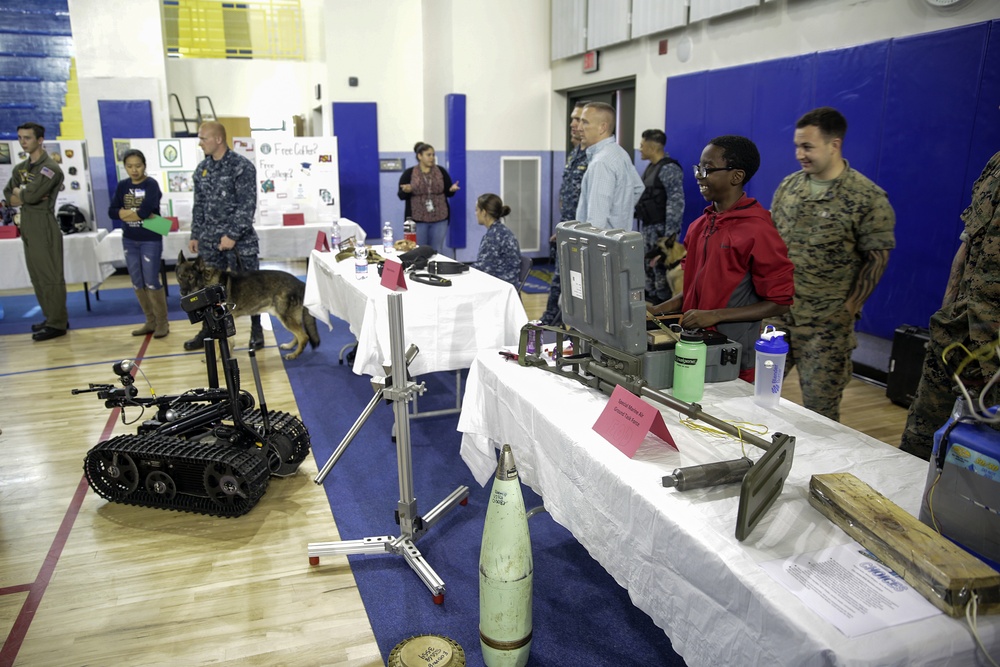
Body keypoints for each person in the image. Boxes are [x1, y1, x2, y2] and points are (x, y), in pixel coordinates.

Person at [768, 107, 895, 422]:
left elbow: (877, 258)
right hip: (777, 318)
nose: (800, 154)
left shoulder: (867, 198)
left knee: (820, 416)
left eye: (807, 147)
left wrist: (850, 307)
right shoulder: (788, 188)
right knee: (757, 398)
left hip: (825, 328)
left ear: (834, 145)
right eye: (797, 146)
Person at [649, 135, 794, 382]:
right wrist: (657, 310)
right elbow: (694, 291)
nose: (698, 175)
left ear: (736, 176)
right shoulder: (698, 227)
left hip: (732, 359)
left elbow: (779, 302)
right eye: (698, 168)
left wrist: (716, 315)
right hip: (691, 347)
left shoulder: (758, 231)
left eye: (707, 169)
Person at [900, 151, 1000, 460]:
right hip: (955, 338)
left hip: (994, 358)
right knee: (917, 448)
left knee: (979, 465)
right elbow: (967, 246)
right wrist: (946, 315)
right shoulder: (996, 164)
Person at [185, 121, 261, 351]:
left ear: (218, 139)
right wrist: (195, 234)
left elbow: (247, 206)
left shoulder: (241, 167)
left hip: (239, 243)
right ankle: (209, 330)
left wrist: (232, 235)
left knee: (251, 288)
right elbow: (199, 205)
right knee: (209, 290)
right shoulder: (202, 170)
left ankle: (256, 331)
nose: (200, 144)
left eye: (203, 138)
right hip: (210, 243)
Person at [3, 122, 67, 341]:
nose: (23, 142)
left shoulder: (50, 168)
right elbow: (8, 197)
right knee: (37, 277)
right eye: (20, 137)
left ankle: (58, 323)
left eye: (27, 138)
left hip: (43, 223)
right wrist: (25, 194)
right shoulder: (20, 168)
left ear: (40, 140)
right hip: (27, 223)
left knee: (50, 276)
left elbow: (27, 198)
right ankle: (51, 317)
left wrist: (23, 194)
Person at [108, 149, 168, 338]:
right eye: (129, 166)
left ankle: (162, 323)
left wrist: (124, 212)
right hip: (129, 239)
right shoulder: (122, 185)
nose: (134, 170)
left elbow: (145, 212)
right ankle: (150, 321)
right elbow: (111, 212)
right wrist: (130, 212)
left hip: (150, 238)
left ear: (144, 166)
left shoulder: (151, 184)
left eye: (138, 166)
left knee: (151, 281)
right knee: (137, 281)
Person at [540, 100, 589, 327]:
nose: (572, 124)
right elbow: (569, 195)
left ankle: (556, 323)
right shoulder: (575, 154)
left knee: (571, 282)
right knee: (560, 279)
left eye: (578, 119)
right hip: (568, 228)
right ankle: (552, 322)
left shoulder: (594, 156)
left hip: (581, 233)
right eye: (572, 119)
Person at [575, 102, 644, 230]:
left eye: (585, 122)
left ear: (602, 127)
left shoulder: (601, 162)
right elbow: (638, 187)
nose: (579, 128)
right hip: (616, 242)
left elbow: (596, 223)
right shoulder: (619, 153)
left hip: (601, 246)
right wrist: (618, 215)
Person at [635, 128, 685, 302]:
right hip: (648, 229)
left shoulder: (669, 169)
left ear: (653, 146)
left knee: (661, 274)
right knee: (649, 269)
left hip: (662, 230)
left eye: (642, 145)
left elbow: (676, 201)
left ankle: (664, 309)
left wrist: (669, 235)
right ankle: (651, 305)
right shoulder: (650, 168)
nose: (640, 148)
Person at [397, 142, 460, 251]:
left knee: (436, 249)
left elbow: (448, 192)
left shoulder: (441, 171)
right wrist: (407, 191)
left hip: (440, 218)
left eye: (433, 155)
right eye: (428, 155)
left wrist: (452, 190)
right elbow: (401, 195)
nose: (432, 158)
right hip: (418, 219)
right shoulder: (409, 173)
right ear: (419, 156)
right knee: (419, 249)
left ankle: (435, 268)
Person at [473, 193, 521, 288]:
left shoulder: (493, 236)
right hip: (509, 286)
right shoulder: (502, 231)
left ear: (484, 212)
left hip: (500, 289)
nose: (475, 213)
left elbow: (483, 268)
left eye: (476, 210)